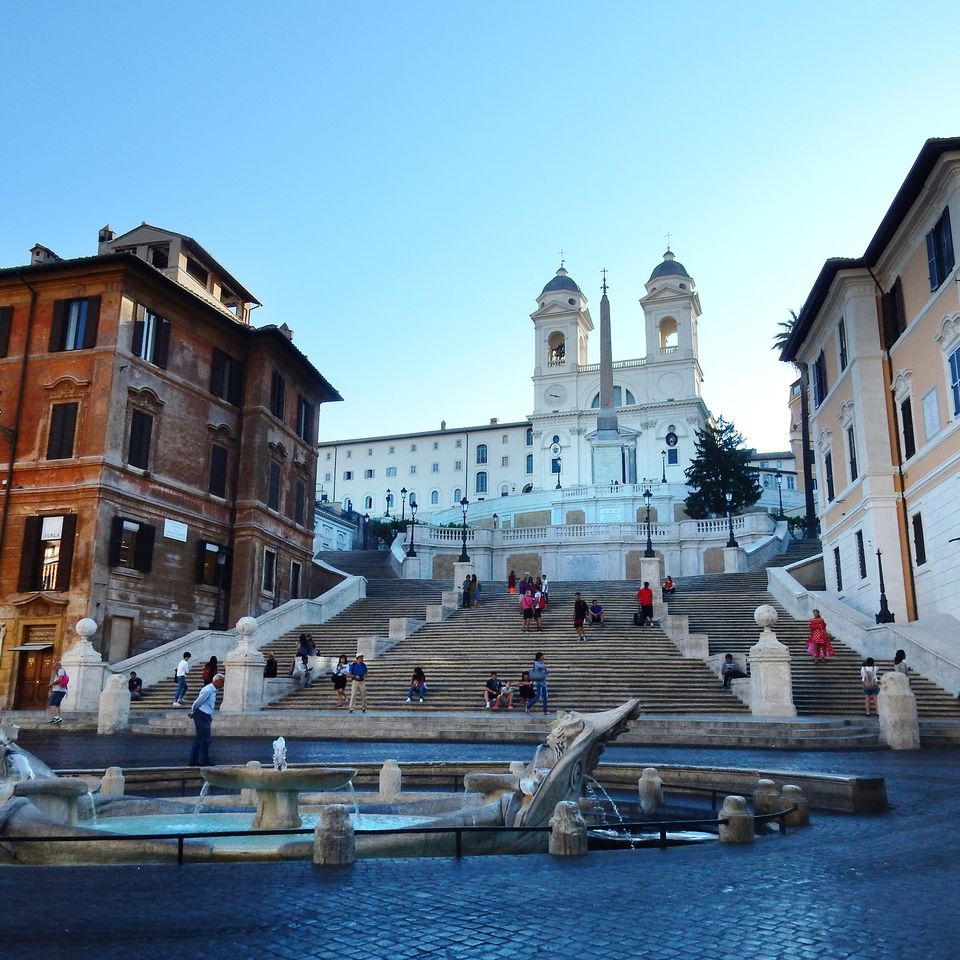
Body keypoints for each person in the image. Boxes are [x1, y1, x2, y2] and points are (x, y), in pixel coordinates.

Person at [187, 673, 224, 766]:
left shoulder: (212, 690)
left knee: (200, 738)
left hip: (206, 714)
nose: (222, 685)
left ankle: (193, 761)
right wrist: (192, 711)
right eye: (222, 683)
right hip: (201, 714)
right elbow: (197, 702)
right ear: (217, 681)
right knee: (205, 739)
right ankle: (203, 760)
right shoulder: (208, 690)